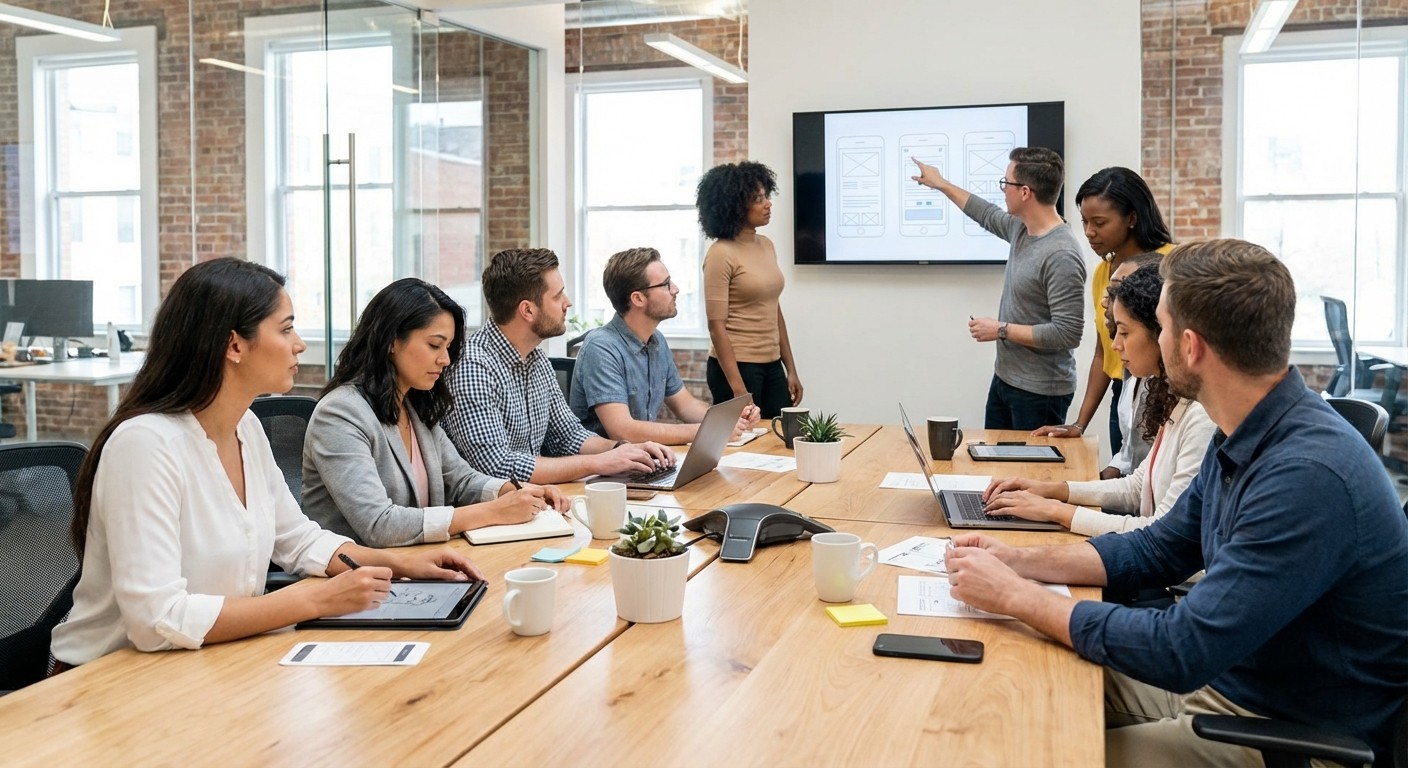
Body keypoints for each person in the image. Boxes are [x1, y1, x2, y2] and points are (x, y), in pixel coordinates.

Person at [944, 239, 1408, 766]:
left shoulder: (1307, 476)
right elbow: (1160, 548)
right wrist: (1017, 561)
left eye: (1160, 326)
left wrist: (1016, 596)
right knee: (1016, 685)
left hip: (1280, 731)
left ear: (1190, 346)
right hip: (1228, 681)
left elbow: (1180, 648)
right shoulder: (1246, 428)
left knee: (1031, 753)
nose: (1140, 340)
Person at [51, 258, 482, 667]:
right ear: (234, 344)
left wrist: (399, 564)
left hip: (209, 660)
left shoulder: (246, 429)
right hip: (110, 679)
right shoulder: (145, 445)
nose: (299, 344)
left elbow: (298, 539)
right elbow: (156, 620)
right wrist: (314, 599)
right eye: (287, 328)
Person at [302, 278, 568, 548]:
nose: (445, 359)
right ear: (392, 341)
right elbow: (379, 525)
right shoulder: (340, 413)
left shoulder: (414, 405)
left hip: (417, 562)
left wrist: (515, 491)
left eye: (448, 347)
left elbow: (461, 480)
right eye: (434, 345)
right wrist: (494, 511)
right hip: (356, 571)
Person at [980, 263, 1215, 535]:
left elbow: (1161, 534)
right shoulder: (1170, 396)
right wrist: (1051, 490)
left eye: (1124, 332)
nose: (1115, 344)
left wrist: (1056, 511)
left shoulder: (1201, 417)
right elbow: (1138, 486)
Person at [443, 248, 672, 483]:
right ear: (528, 310)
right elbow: (496, 466)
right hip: (493, 503)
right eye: (558, 295)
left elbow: (568, 435)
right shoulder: (472, 366)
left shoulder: (536, 358)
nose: (567, 302)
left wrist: (623, 449)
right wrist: (598, 462)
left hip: (534, 497)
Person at [912, 148, 1085, 430]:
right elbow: (986, 213)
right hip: (1005, 380)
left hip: (1040, 393)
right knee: (993, 457)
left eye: (1006, 183)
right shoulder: (1021, 229)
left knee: (1025, 462)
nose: (1003, 189)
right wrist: (941, 184)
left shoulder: (1061, 254)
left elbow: (1067, 333)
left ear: (1025, 192)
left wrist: (1001, 329)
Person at [1033, 167, 1173, 451]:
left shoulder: (1171, 265)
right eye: (1085, 222)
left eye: (1099, 222)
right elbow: (1103, 352)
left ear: (1132, 218)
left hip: (1165, 394)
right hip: (1122, 393)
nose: (1089, 232)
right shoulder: (1103, 272)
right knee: (1123, 471)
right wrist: (1079, 424)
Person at [570, 246, 760, 443]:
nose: (675, 289)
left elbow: (686, 406)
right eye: (665, 284)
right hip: (603, 461)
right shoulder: (601, 348)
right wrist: (710, 430)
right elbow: (623, 431)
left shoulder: (656, 340)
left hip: (640, 458)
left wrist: (728, 418)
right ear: (638, 298)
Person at [696, 160, 803, 418]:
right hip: (737, 367)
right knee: (745, 439)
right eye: (758, 199)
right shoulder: (720, 253)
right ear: (734, 206)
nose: (768, 204)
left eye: (766, 196)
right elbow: (716, 326)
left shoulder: (766, 245)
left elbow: (774, 310)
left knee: (781, 435)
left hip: (772, 364)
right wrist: (738, 389)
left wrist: (791, 369)